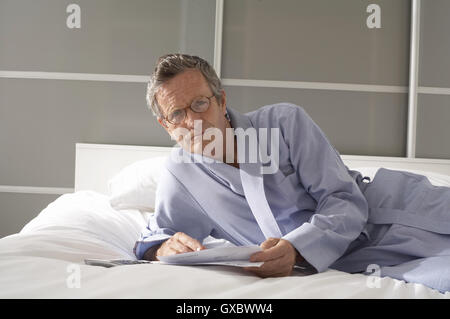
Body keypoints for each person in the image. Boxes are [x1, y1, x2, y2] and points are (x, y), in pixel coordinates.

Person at [134, 53, 450, 292]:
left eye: (201, 104)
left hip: (401, 205)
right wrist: (161, 248)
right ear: (165, 125)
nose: (194, 122)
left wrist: (297, 248)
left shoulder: (283, 122)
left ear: (222, 100)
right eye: (177, 113)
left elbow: (344, 199)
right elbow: (158, 235)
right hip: (358, 257)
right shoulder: (180, 174)